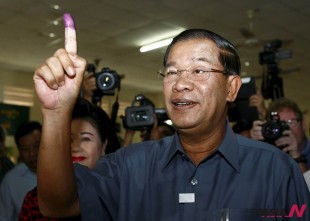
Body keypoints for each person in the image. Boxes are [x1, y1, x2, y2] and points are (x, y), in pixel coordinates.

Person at [33, 14, 310, 220]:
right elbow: (57, 205)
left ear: (231, 87)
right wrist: (56, 113)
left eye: (199, 71)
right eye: (173, 72)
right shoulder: (129, 168)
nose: (181, 83)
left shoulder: (275, 170)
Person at [18, 97, 121, 220]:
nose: (76, 148)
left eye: (86, 139)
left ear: (104, 145)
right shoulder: (36, 201)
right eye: (69, 139)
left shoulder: (119, 195)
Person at [250, 97, 310, 173]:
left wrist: (296, 155)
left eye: (291, 122)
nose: (287, 130)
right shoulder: (270, 153)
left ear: (303, 124)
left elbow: (306, 184)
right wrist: (253, 147)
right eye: (279, 125)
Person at [0, 121, 42, 221]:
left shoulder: (65, 173)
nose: (32, 153)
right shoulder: (10, 181)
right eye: (25, 149)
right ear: (19, 151)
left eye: (36, 146)